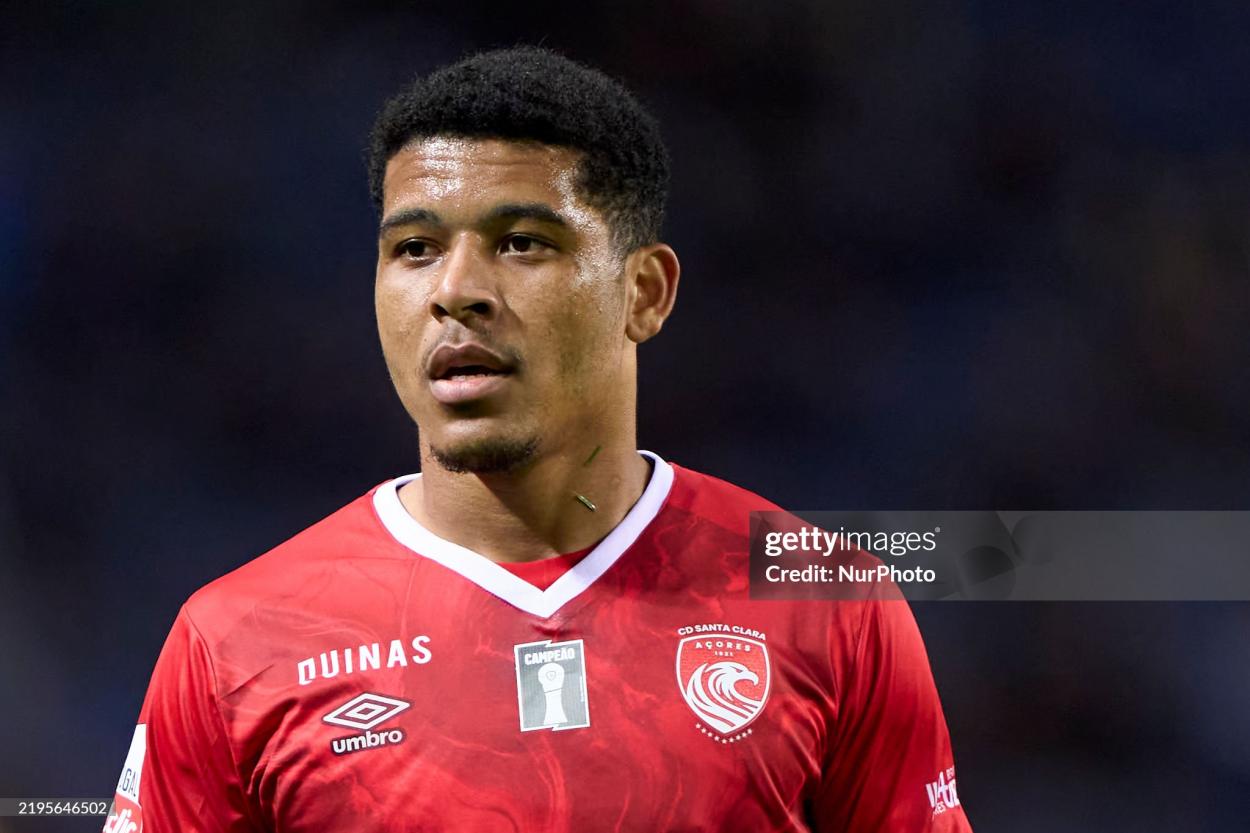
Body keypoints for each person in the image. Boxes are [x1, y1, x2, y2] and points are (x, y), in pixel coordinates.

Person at [104, 47, 972, 832]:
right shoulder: (235, 642)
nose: (456, 291)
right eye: (414, 248)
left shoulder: (828, 605)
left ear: (645, 292)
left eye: (521, 243)